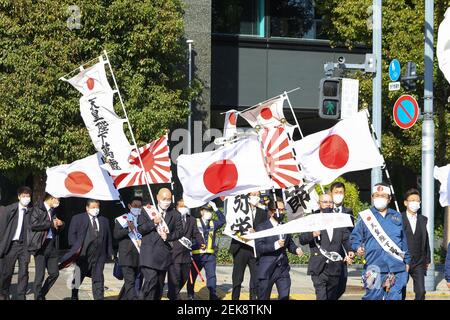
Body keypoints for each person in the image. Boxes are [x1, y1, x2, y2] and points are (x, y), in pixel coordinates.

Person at [351, 182, 410, 300]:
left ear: (389, 199)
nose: (379, 198)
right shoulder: (365, 216)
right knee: (372, 297)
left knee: (395, 297)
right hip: (373, 267)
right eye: (376, 195)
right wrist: (357, 247)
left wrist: (407, 261)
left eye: (383, 196)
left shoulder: (397, 216)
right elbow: (355, 237)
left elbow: (404, 240)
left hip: (396, 266)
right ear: (372, 197)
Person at [300, 193, 354, 300]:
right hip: (318, 267)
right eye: (325, 202)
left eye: (330, 202)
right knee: (321, 296)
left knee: (332, 296)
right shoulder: (312, 219)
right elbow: (302, 239)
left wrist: (350, 250)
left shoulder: (339, 220)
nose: (328, 205)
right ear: (319, 204)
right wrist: (312, 234)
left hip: (335, 266)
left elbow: (345, 239)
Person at [138, 188, 183, 300]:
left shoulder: (175, 214)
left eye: (168, 199)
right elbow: (141, 229)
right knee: (150, 280)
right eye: (164, 199)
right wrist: (153, 222)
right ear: (158, 198)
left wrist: (168, 237)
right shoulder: (147, 210)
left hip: (163, 255)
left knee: (158, 286)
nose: (166, 202)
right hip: (149, 254)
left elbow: (180, 232)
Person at [255, 197, 303, 300]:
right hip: (267, 268)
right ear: (271, 212)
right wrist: (275, 245)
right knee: (263, 297)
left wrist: (296, 249)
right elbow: (259, 247)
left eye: (283, 210)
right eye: (279, 210)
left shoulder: (285, 227)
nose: (282, 212)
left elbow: (290, 244)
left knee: (284, 296)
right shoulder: (262, 227)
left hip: (283, 268)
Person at [67, 199, 113, 300]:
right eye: (93, 207)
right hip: (83, 254)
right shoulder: (78, 218)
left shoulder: (104, 220)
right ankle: (74, 295)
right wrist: (75, 250)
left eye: (97, 207)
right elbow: (72, 235)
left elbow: (108, 237)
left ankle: (98, 297)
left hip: (99, 255)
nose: (95, 209)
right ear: (87, 208)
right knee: (78, 277)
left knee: (98, 279)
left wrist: (110, 252)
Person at [229, 191, 267, 300]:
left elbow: (265, 228)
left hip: (254, 249)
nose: (256, 197)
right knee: (237, 278)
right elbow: (232, 225)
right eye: (253, 195)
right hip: (240, 248)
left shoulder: (262, 212)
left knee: (256, 278)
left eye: (258, 195)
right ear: (248, 196)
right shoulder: (238, 210)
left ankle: (253, 298)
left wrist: (257, 232)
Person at [28, 193, 64, 300]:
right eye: (58, 199)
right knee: (40, 276)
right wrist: (50, 223)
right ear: (52, 198)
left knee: (54, 273)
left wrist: (61, 223)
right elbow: (33, 225)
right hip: (40, 246)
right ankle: (38, 297)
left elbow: (55, 226)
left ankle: (41, 294)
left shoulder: (53, 211)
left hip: (51, 245)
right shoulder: (37, 209)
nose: (59, 202)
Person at [187, 201, 226, 300]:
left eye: (210, 211)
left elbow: (223, 220)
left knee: (212, 276)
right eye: (207, 211)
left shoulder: (213, 223)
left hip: (210, 256)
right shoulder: (194, 222)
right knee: (193, 276)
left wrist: (216, 209)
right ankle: (190, 294)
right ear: (201, 212)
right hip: (197, 255)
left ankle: (213, 295)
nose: (209, 213)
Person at [167, 198, 204, 300]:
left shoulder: (191, 219)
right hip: (174, 253)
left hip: (186, 254)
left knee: (184, 276)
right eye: (182, 206)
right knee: (175, 278)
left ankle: (173, 293)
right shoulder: (171, 217)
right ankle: (175, 296)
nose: (184, 208)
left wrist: (201, 242)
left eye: (186, 206)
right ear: (177, 207)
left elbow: (196, 232)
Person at [0, 186, 32, 300]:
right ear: (19, 197)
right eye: (24, 196)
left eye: (28, 196)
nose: (26, 198)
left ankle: (21, 296)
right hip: (11, 245)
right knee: (7, 272)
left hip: (24, 246)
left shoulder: (31, 211)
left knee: (24, 272)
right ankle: (4, 292)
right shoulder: (10, 209)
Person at [401, 188, 431, 300]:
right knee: (400, 290)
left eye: (417, 200)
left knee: (421, 291)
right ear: (405, 202)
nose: (415, 203)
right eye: (412, 200)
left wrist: (427, 259)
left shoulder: (423, 219)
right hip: (403, 260)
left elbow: (425, 239)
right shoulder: (399, 218)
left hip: (419, 261)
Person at [114, 196, 143, 300]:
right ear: (130, 206)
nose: (137, 208)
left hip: (140, 257)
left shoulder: (143, 219)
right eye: (135, 206)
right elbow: (116, 235)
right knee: (130, 283)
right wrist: (129, 230)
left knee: (136, 282)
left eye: (140, 206)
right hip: (127, 257)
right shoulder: (122, 219)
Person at [330, 181, 354, 299]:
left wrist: (350, 250)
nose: (338, 194)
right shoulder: (325, 211)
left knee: (341, 287)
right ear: (331, 193)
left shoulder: (348, 212)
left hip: (342, 254)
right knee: (329, 287)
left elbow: (350, 233)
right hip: (329, 255)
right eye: (336, 192)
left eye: (341, 192)